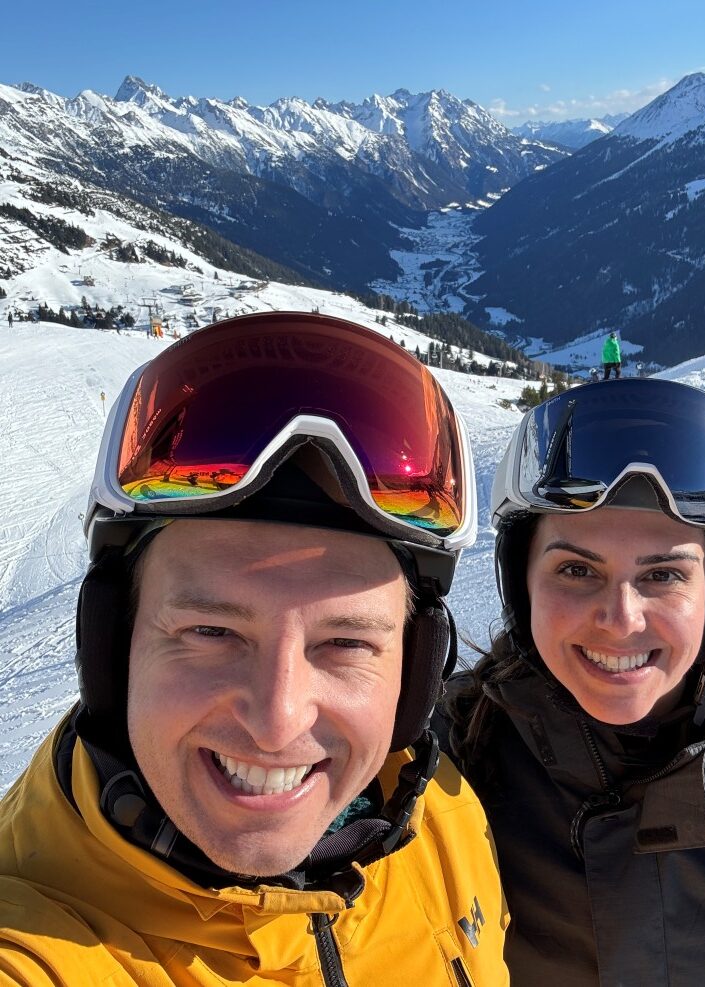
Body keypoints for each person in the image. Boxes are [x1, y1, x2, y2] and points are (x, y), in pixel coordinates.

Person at [0, 311, 508, 985]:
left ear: (414, 671)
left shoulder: (445, 821)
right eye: (212, 632)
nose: (276, 721)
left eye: (346, 641)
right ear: (114, 645)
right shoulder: (38, 947)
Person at [439, 378, 705, 985]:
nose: (622, 620)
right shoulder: (440, 760)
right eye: (577, 569)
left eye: (662, 575)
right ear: (521, 583)